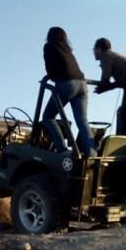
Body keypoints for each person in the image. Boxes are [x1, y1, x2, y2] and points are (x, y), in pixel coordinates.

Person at [42, 27, 96, 157]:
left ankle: (62, 149)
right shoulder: (68, 49)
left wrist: (53, 78)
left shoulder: (49, 46)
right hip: (82, 84)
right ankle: (92, 153)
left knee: (48, 117)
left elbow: (49, 68)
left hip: (67, 83)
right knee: (82, 120)